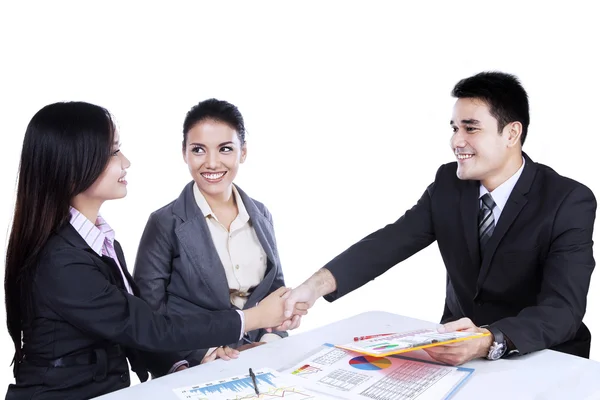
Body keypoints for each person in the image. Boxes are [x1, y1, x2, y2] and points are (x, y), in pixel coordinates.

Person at [282, 71, 597, 365]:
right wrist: (314, 286)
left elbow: (562, 310)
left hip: (543, 356)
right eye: (454, 128)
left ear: (512, 133)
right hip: (457, 350)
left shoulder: (567, 201)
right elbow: (390, 242)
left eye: (470, 128)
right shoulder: (449, 184)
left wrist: (488, 340)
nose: (456, 141)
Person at [4, 102, 295, 400]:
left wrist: (180, 367)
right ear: (73, 163)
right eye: (113, 151)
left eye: (225, 148)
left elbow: (126, 326)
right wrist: (252, 318)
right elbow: (150, 324)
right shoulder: (61, 261)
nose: (125, 162)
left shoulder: (100, 240)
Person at [133, 98, 301, 368]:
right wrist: (203, 353)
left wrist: (270, 342)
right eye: (198, 150)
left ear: (242, 152)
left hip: (261, 357)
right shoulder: (165, 222)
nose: (211, 163)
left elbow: (274, 290)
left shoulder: (260, 214)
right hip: (195, 362)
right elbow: (148, 315)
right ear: (184, 153)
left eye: (225, 149)